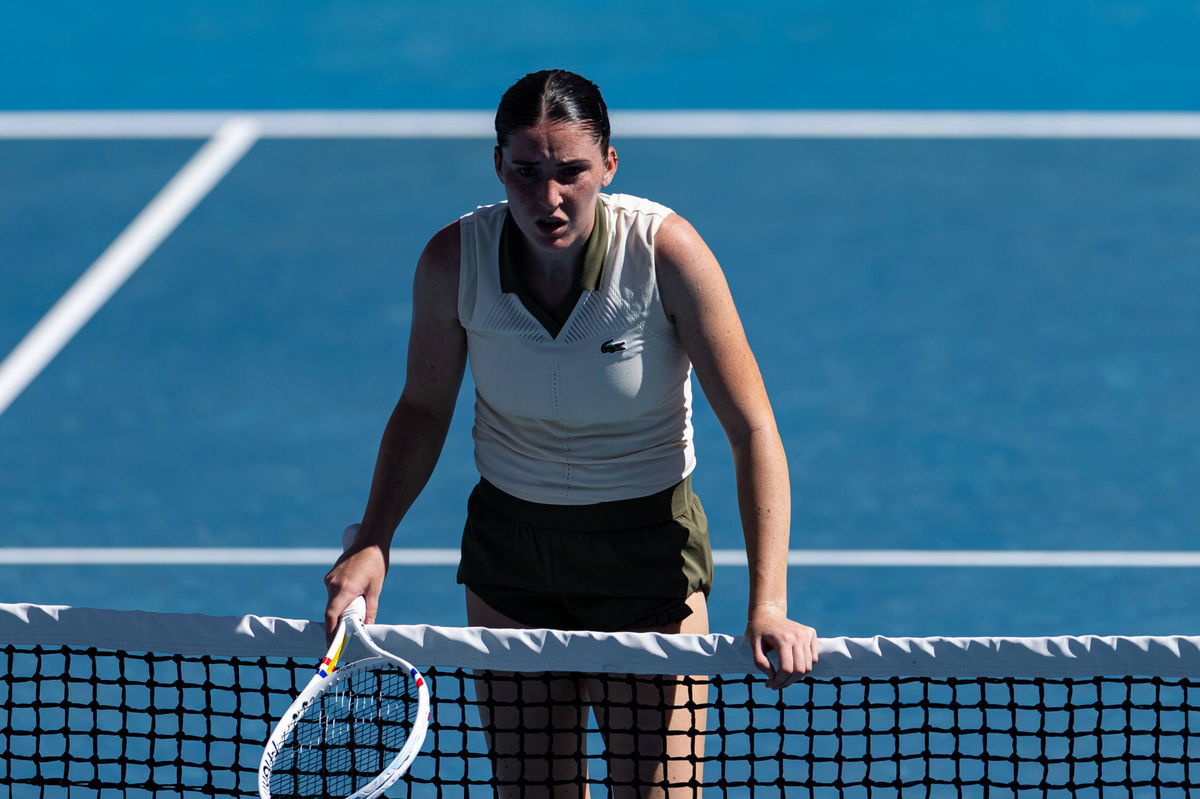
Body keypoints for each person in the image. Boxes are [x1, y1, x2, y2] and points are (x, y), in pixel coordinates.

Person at [324, 69, 818, 797]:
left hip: (648, 559)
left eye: (570, 171)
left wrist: (767, 602)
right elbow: (423, 408)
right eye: (525, 171)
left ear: (609, 165)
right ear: (498, 165)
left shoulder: (665, 254)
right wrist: (374, 538)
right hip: (511, 558)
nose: (547, 197)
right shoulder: (453, 260)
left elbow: (752, 428)